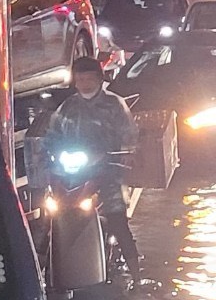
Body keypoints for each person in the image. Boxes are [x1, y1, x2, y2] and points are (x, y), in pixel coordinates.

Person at [35, 52, 141, 270]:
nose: (84, 84)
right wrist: (47, 154)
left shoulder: (115, 105)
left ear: (99, 79)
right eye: (80, 79)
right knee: (50, 216)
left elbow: (129, 135)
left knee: (116, 218)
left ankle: (136, 271)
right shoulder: (67, 107)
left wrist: (123, 152)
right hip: (72, 171)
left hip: (107, 170)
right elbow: (52, 135)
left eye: (89, 79)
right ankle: (38, 267)